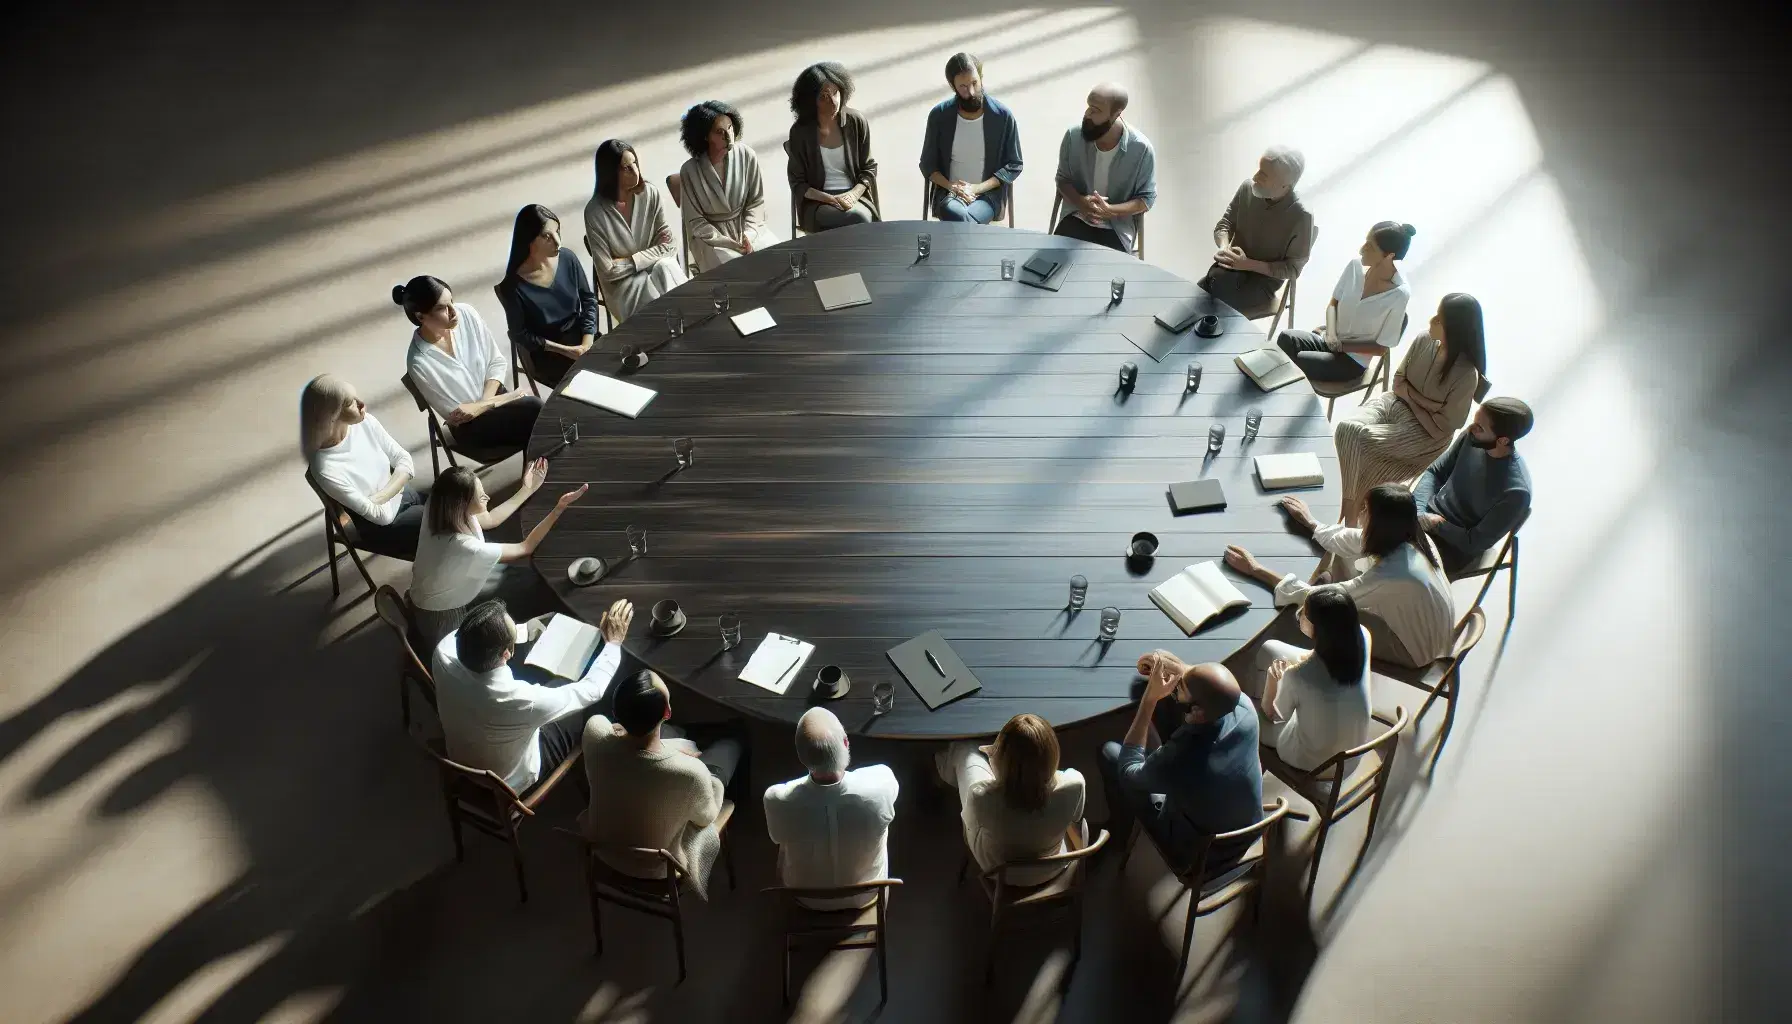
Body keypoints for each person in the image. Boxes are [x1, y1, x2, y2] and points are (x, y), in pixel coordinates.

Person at [1225, 484, 1455, 669]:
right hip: (1434, 629)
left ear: (1381, 525)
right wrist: (1309, 521)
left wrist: (1256, 569)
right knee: (1341, 562)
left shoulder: (1395, 573)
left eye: (1366, 510)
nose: (1360, 513)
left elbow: (1321, 596)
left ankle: (1304, 657)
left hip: (1416, 649)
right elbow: (1352, 538)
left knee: (1320, 613)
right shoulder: (1414, 539)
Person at [431, 597, 634, 795]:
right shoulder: (518, 700)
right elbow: (591, 691)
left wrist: (525, 630)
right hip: (509, 780)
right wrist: (614, 644)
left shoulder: (443, 650)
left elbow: (472, 635)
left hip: (460, 752)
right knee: (577, 695)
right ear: (507, 654)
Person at [578, 668, 743, 900]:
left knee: (675, 733)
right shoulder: (690, 774)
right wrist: (710, 780)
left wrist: (671, 748)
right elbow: (706, 817)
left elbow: (614, 734)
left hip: (603, 852)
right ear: (667, 711)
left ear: (617, 710)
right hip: (658, 871)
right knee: (733, 741)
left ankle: (681, 737)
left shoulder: (594, 733)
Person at [1097, 658, 1262, 874]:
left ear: (1198, 712)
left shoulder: (1182, 754)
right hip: (1250, 830)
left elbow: (1129, 772)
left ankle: (1119, 834)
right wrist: (1173, 665)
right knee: (1163, 734)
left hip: (1202, 852)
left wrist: (1149, 700)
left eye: (1180, 686)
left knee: (1110, 753)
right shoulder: (1245, 707)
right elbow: (1211, 687)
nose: (1177, 687)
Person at [1333, 292, 1487, 523]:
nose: (1431, 321)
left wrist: (1411, 397)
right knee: (1347, 428)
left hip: (1425, 435)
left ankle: (1350, 515)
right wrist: (1430, 405)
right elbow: (1397, 382)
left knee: (1363, 441)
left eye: (1439, 319)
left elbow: (1447, 425)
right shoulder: (1423, 340)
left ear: (1454, 329)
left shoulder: (1466, 374)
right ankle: (1348, 507)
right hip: (1394, 404)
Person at [409, 462, 587, 647]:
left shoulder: (441, 506)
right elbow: (524, 548)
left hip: (436, 587)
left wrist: (527, 489)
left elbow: (491, 519)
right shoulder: (465, 547)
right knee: (528, 592)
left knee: (523, 579)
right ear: (462, 505)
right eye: (479, 496)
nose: (487, 496)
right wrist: (559, 508)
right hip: (444, 614)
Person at [763, 707, 899, 908]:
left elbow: (776, 838)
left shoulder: (777, 798)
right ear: (845, 742)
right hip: (864, 896)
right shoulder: (881, 783)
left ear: (801, 757)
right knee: (882, 823)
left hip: (806, 899)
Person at [396, 275, 542, 454]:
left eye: (452, 301)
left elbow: (496, 362)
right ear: (420, 316)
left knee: (538, 420)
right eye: (442, 308)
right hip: (472, 428)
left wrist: (485, 403)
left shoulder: (467, 313)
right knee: (536, 411)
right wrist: (513, 396)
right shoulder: (418, 362)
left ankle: (538, 470)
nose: (453, 311)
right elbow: (458, 415)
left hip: (498, 401)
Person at [935, 713, 1085, 884]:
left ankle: (940, 768)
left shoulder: (982, 797)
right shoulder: (1075, 783)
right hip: (1053, 866)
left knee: (965, 751)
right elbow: (1076, 817)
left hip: (1000, 871)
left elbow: (969, 823)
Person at [1245, 588, 1374, 772]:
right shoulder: (1363, 635)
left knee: (1256, 717)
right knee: (1270, 648)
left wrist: (1273, 680)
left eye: (1305, 614)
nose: (1299, 615)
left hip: (1314, 762)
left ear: (1318, 628)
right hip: (1351, 758)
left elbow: (1272, 715)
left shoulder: (1298, 676)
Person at [301, 374, 424, 559]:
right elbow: (382, 517)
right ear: (332, 415)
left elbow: (404, 459)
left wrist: (380, 496)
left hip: (406, 496)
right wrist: (399, 481)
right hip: (382, 529)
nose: (361, 403)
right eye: (351, 403)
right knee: (459, 525)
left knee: (462, 503)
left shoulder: (366, 422)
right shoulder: (325, 468)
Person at [1276, 221, 1416, 383]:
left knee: (1297, 361)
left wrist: (1342, 345)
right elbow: (1334, 303)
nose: (1362, 249)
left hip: (1352, 361)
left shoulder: (1399, 294)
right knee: (1286, 338)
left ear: (1389, 256)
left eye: (1370, 247)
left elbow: (1381, 348)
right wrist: (1329, 329)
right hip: (1328, 341)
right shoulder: (1355, 267)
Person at [1412, 397, 1535, 573]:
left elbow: (1473, 542)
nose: (1471, 428)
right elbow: (1435, 472)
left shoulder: (1516, 492)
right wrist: (1419, 511)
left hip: (1452, 545)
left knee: (1400, 562)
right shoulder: (1472, 437)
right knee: (1376, 519)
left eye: (1480, 427)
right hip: (1428, 515)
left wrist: (1435, 524)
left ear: (1503, 440)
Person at [1201, 146, 1316, 318]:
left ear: (1285, 184)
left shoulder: (1302, 216)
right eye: (1259, 170)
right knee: (1201, 294)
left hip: (1262, 281)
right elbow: (1224, 224)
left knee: (1209, 305)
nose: (1255, 177)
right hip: (1230, 271)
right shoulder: (1248, 188)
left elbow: (1292, 270)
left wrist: (1247, 264)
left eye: (1263, 175)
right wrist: (1224, 248)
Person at [495, 204, 600, 389]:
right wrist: (568, 351)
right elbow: (520, 335)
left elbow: (588, 299)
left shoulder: (568, 257)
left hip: (581, 335)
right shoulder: (512, 287)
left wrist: (587, 342)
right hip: (548, 352)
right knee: (588, 388)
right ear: (529, 240)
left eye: (557, 231)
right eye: (546, 236)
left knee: (620, 366)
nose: (558, 241)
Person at [583, 140, 688, 324]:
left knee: (666, 267)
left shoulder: (649, 194)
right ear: (611, 174)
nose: (635, 171)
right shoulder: (595, 213)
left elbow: (669, 245)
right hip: (624, 287)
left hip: (655, 269)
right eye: (626, 168)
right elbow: (608, 271)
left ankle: (686, 324)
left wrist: (632, 260)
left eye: (635, 164)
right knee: (663, 299)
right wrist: (653, 253)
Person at [918, 52, 1023, 224]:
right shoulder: (939, 116)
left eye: (975, 83)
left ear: (981, 77)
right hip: (950, 193)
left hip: (987, 196)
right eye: (963, 87)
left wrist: (976, 188)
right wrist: (953, 187)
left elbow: (1014, 164)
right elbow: (928, 164)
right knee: (959, 215)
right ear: (953, 87)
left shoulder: (1002, 116)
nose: (972, 91)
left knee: (963, 220)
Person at [677, 100, 780, 272]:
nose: (728, 136)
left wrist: (749, 234)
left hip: (747, 227)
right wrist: (726, 242)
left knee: (776, 258)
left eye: (730, 128)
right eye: (719, 132)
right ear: (704, 136)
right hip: (711, 239)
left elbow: (755, 202)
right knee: (734, 269)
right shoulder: (689, 171)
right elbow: (695, 221)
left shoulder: (747, 155)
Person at [1052, 82, 1155, 253]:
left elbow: (1146, 199)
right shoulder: (1073, 137)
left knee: (1106, 275)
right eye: (1088, 106)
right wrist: (1081, 202)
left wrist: (1111, 211)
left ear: (1116, 114)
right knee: (1053, 267)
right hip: (1076, 217)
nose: (1087, 114)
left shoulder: (1141, 149)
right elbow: (1062, 180)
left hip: (1116, 227)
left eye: (1096, 110)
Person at [786, 62, 880, 232]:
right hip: (818, 201)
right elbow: (797, 183)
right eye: (823, 97)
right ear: (810, 101)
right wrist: (830, 200)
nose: (833, 101)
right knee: (857, 218)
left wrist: (853, 195)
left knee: (860, 216)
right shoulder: (800, 132)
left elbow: (869, 168)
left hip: (854, 196)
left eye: (835, 93)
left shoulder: (856, 121)